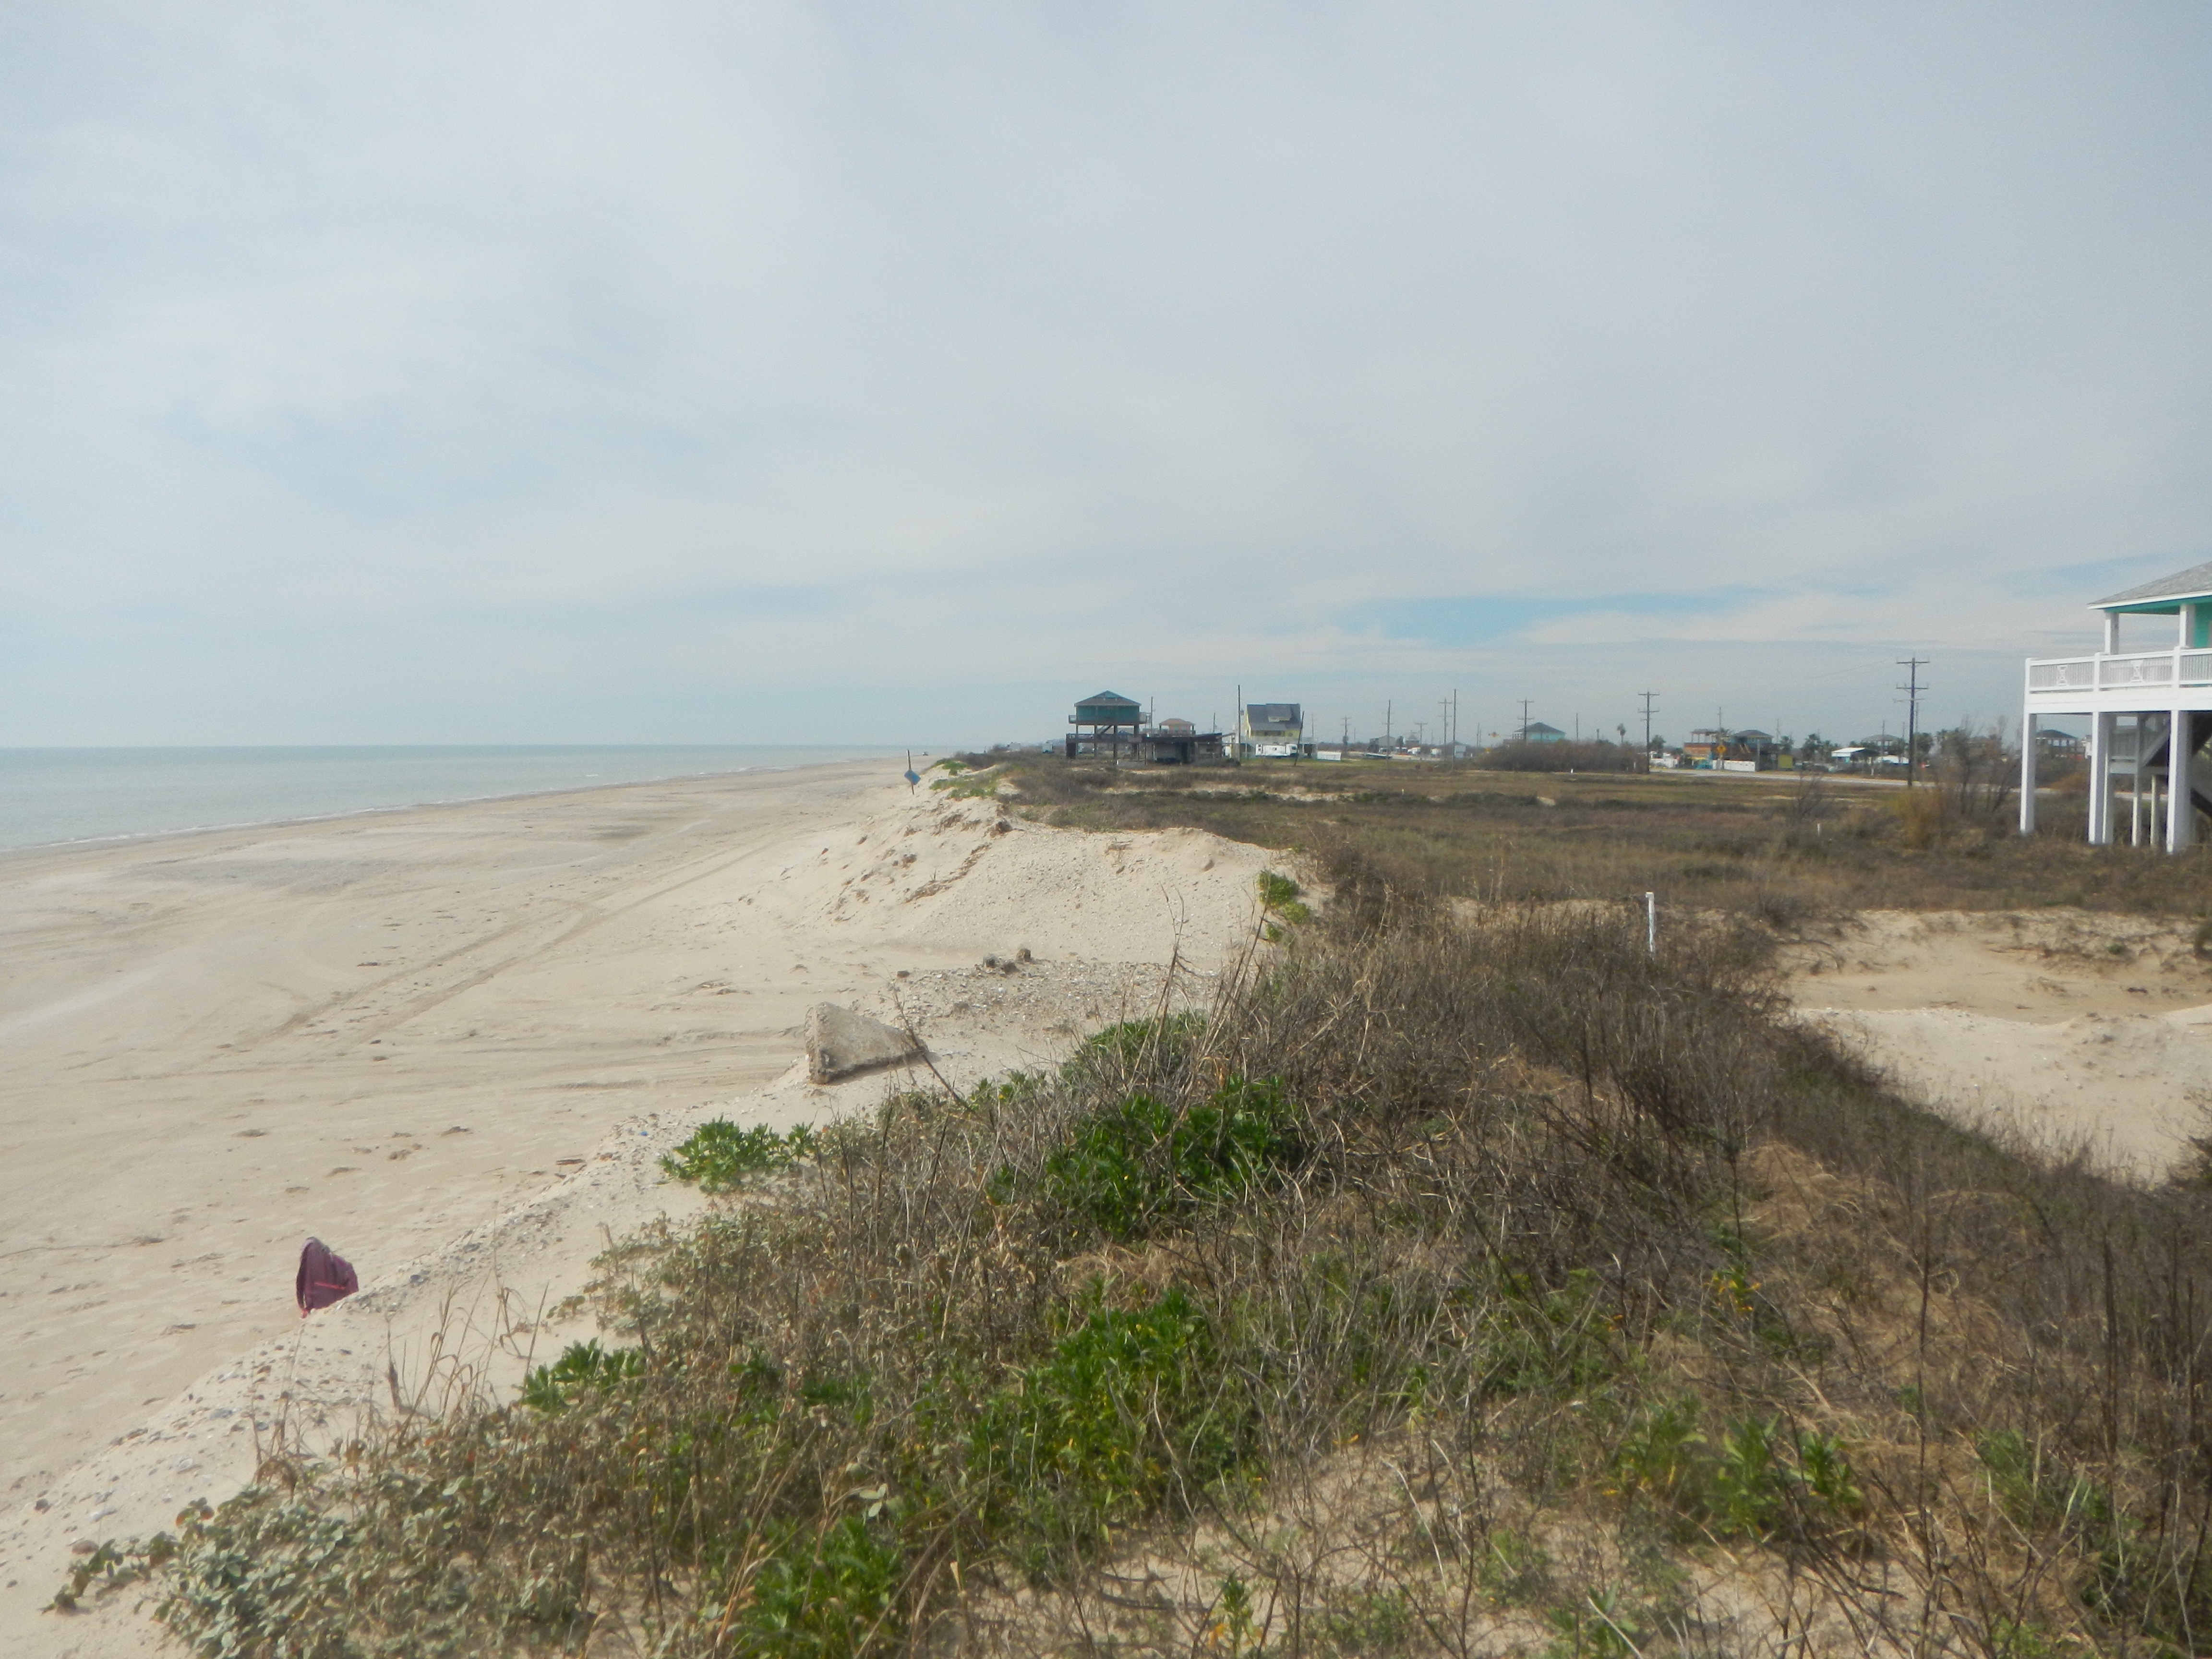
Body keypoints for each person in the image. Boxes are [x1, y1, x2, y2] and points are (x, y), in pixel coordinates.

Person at [295, 1237, 359, 1315]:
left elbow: (300, 1288)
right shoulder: (339, 1263)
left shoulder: (307, 1268)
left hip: (321, 1308)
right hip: (340, 1304)